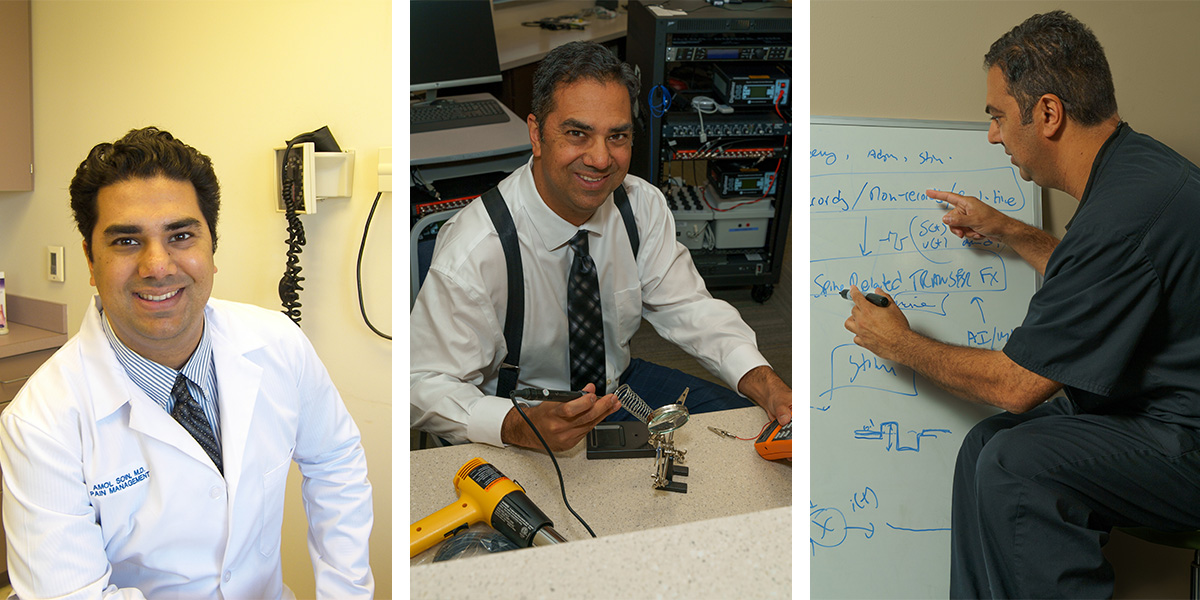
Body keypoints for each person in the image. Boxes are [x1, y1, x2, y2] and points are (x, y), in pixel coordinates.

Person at [844, 10, 1200, 598]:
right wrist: (1011, 231)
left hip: (1185, 439)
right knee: (985, 445)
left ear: (1049, 113)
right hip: (1157, 411)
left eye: (997, 116)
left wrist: (900, 343)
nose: (992, 135)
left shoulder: (1121, 214)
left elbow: (1017, 385)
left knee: (1016, 463)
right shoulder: (1135, 172)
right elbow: (1107, 279)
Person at [0, 127, 374, 599]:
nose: (157, 265)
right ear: (90, 263)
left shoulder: (278, 343)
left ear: (211, 248)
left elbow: (336, 462)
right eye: (126, 242)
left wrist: (346, 592)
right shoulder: (40, 424)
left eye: (181, 235)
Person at [411, 41, 791, 450]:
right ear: (537, 135)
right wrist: (513, 425)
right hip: (520, 407)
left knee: (739, 441)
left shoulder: (640, 205)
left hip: (617, 388)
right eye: (578, 133)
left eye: (617, 136)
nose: (600, 158)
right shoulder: (475, 247)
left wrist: (765, 382)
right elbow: (423, 383)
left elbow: (690, 308)